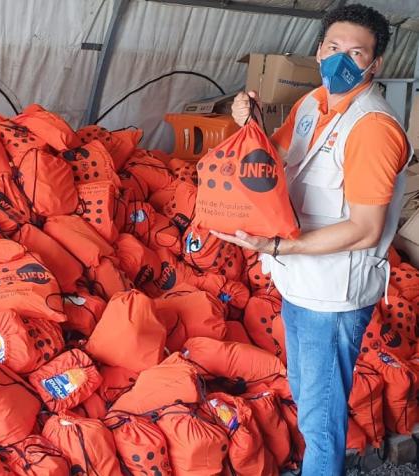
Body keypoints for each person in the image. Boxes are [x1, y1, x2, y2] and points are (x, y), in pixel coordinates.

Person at [214, 4, 412, 475]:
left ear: (374, 64)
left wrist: (280, 248)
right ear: (319, 49)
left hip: (334, 293)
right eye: (333, 47)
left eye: (356, 52)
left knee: (322, 417)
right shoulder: (310, 105)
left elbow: (365, 229)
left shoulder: (373, 128)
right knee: (306, 393)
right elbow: (276, 157)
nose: (341, 59)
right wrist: (250, 121)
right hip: (299, 280)